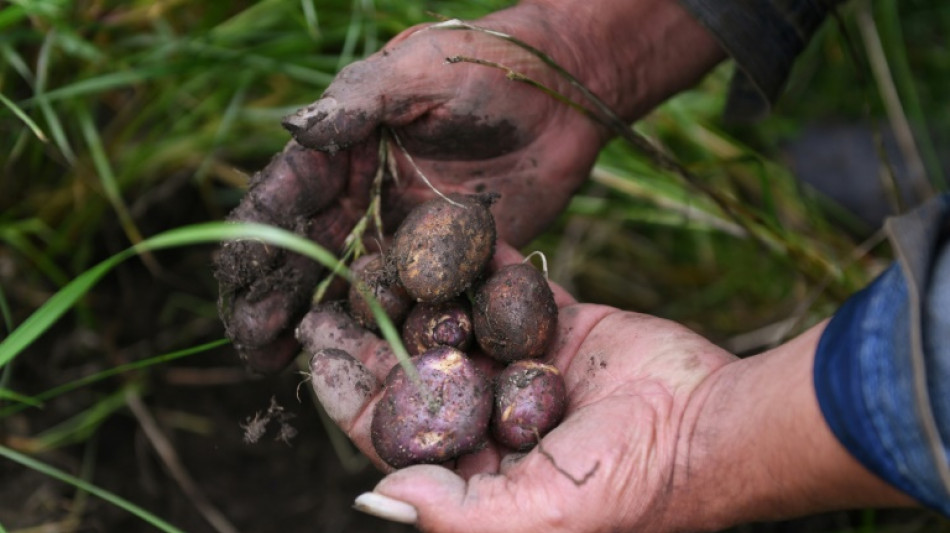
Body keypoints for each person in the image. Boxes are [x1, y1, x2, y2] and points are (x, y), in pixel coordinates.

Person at [215, 0, 950, 530]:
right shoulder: (448, 309)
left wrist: (701, 440)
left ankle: (916, 179)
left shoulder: (473, 324)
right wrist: (577, 52)